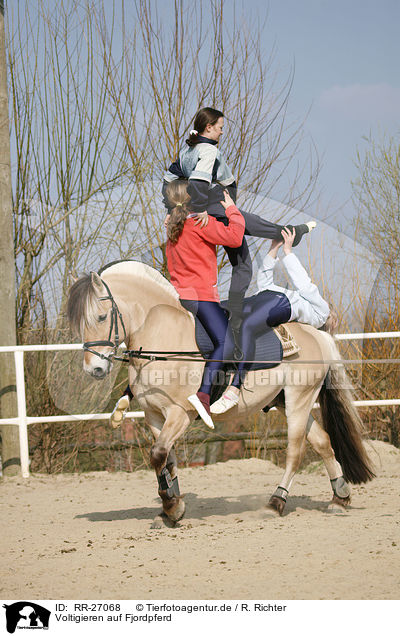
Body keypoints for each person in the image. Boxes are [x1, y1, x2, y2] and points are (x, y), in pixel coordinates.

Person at [162, 107, 315, 354]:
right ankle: (234, 318)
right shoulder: (209, 150)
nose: (222, 132)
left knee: (247, 228)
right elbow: (201, 181)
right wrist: (201, 208)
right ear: (208, 127)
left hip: (200, 207)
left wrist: (171, 208)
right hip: (213, 204)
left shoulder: (186, 151)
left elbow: (167, 180)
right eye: (220, 127)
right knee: (243, 259)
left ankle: (285, 232)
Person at [210, 227, 333, 414]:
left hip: (281, 303)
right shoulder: (306, 304)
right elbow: (264, 282)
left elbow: (304, 285)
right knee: (218, 309)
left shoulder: (321, 311)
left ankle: (234, 389)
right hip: (266, 296)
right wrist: (274, 248)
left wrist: (288, 252)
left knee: (247, 326)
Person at [165, 181, 245, 429]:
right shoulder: (200, 222)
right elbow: (234, 237)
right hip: (201, 296)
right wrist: (232, 210)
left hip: (179, 295)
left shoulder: (172, 228)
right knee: (225, 341)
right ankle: (204, 393)